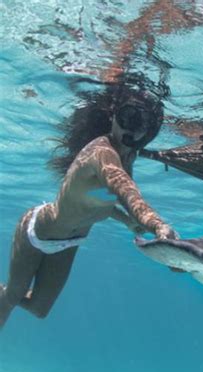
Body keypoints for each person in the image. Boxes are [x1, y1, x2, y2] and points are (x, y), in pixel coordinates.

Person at [0, 85, 177, 328]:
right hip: (36, 232)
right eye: (126, 116)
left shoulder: (129, 156)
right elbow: (125, 191)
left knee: (39, 310)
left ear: (147, 130)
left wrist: (127, 221)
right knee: (13, 296)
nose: (129, 126)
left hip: (70, 241)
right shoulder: (101, 152)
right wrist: (157, 224)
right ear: (113, 116)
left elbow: (98, 198)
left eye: (138, 122)